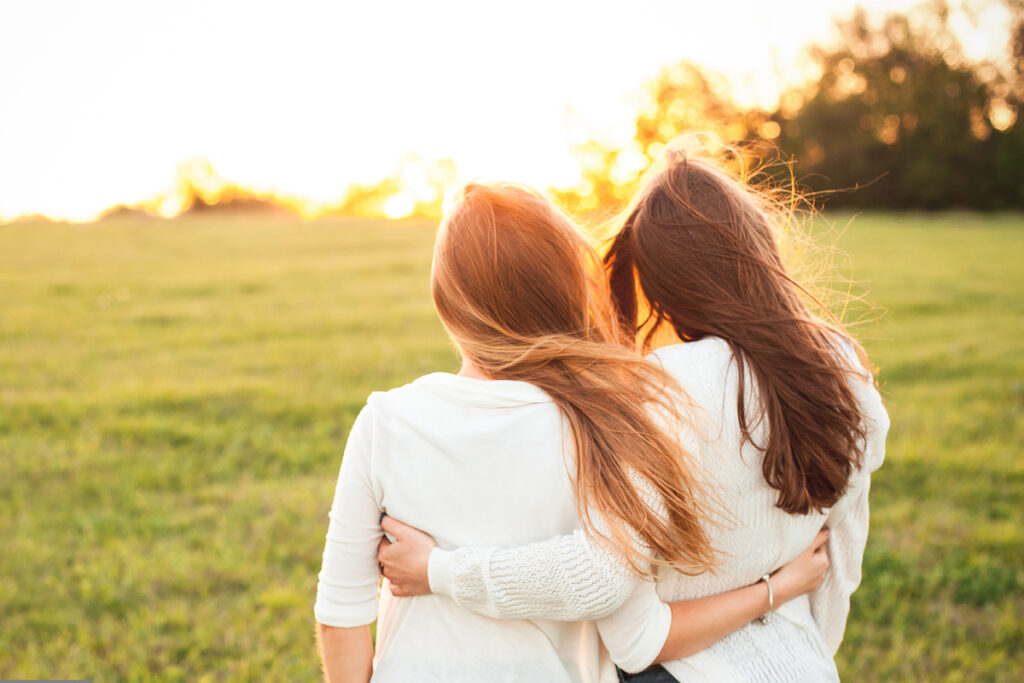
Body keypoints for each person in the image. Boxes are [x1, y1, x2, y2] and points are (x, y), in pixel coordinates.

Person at [377, 148, 890, 682]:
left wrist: (440, 570)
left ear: (658, 282)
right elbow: (839, 565)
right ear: (757, 244)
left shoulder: (660, 390)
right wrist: (788, 619)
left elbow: (632, 633)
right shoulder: (840, 365)